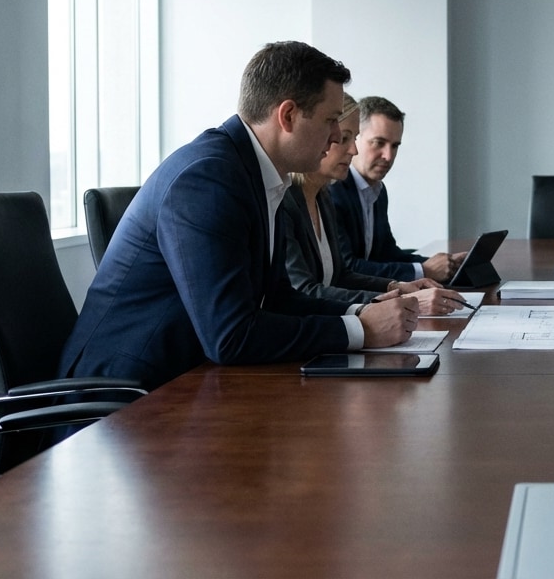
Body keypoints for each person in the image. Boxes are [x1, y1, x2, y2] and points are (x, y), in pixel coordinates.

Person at [59, 41, 420, 391]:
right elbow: (230, 336)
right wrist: (362, 331)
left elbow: (280, 299)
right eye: (330, 121)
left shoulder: (255, 173)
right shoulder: (207, 179)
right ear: (288, 116)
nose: (338, 136)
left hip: (187, 379)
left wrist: (363, 312)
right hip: (124, 400)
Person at [281, 92, 468, 315]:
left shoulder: (323, 197)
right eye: (343, 139)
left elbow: (343, 274)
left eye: (395, 146)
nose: (353, 150)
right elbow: (304, 290)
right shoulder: (287, 200)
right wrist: (401, 296)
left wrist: (396, 287)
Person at [329, 96, 465, 283]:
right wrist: (423, 270)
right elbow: (348, 267)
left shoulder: (377, 190)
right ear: (356, 138)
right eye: (378, 143)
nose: (388, 155)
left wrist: (445, 265)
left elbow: (387, 254)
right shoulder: (332, 190)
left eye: (395, 146)